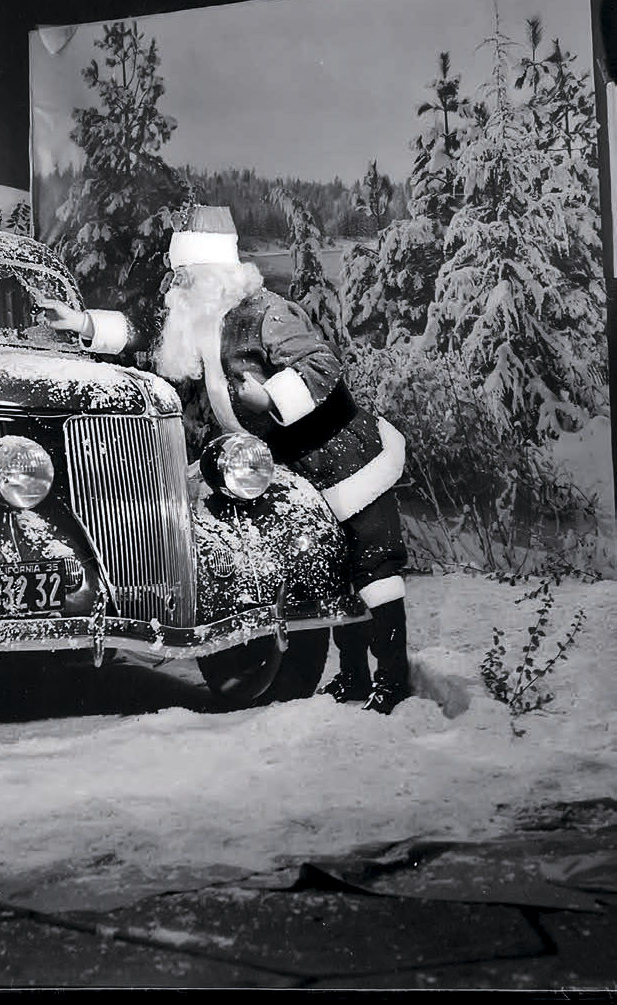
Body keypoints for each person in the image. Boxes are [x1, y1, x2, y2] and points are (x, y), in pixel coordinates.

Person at [40, 205, 413, 714]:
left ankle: (393, 681)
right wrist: (83, 323)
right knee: (334, 570)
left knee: (374, 569)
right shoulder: (204, 319)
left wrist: (270, 397)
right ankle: (352, 678)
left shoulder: (266, 313)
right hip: (288, 465)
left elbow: (321, 364)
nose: (175, 286)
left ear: (213, 274)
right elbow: (148, 334)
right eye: (176, 275)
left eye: (184, 276)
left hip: (344, 459)